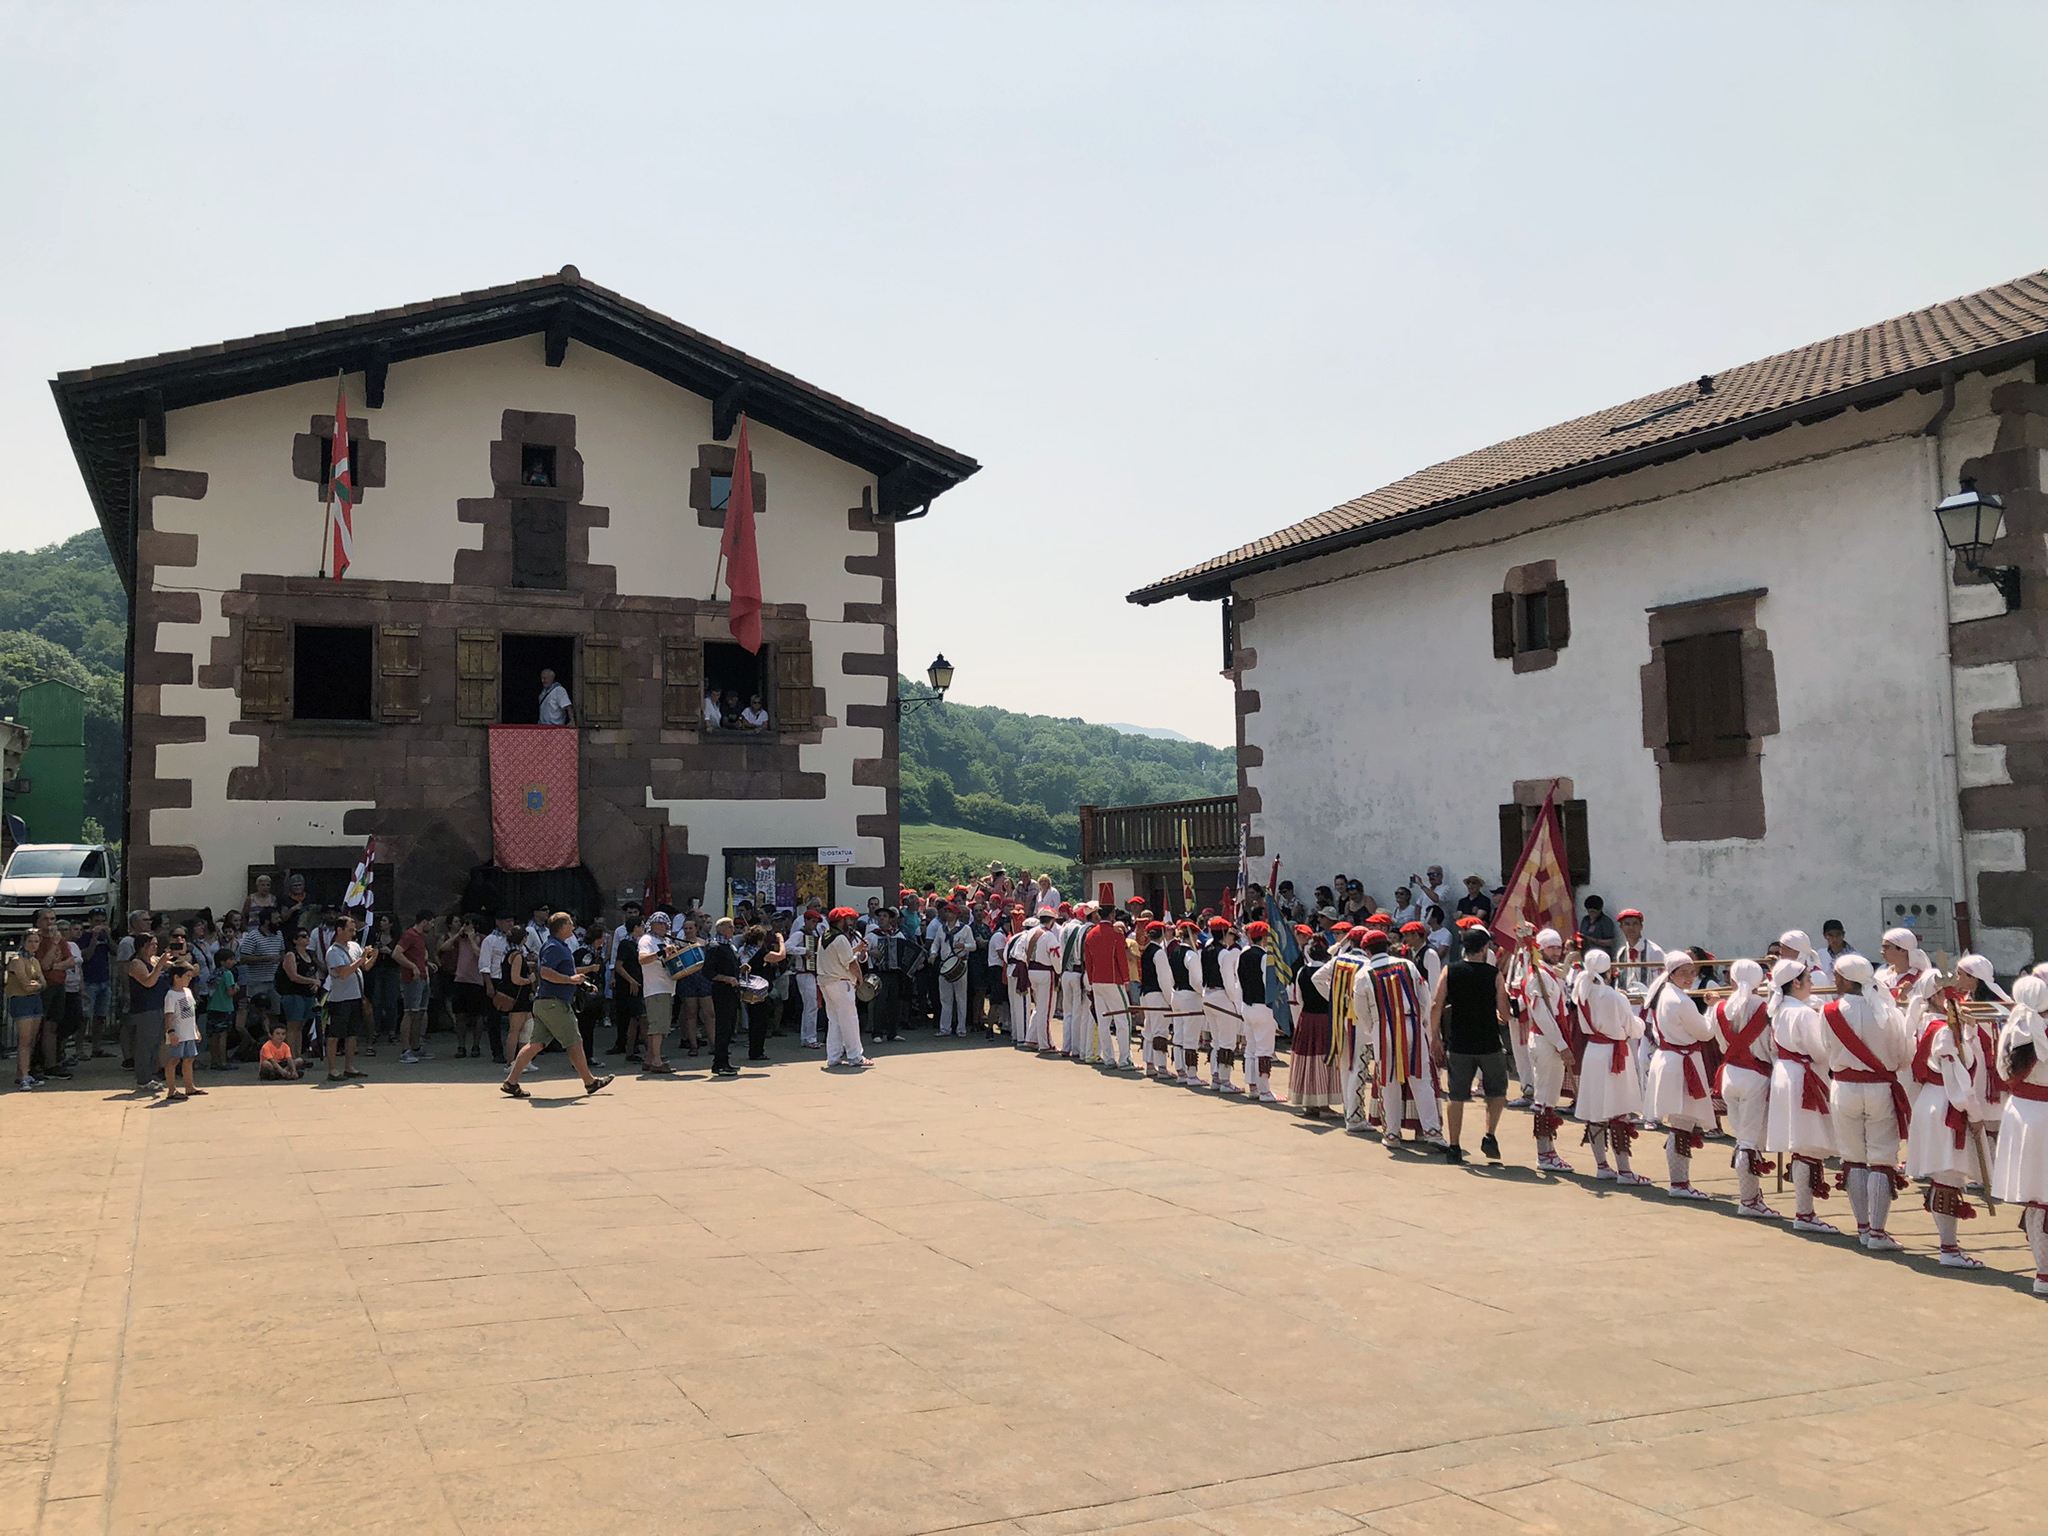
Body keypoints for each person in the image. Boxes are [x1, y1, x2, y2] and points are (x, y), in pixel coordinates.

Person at [1819, 953, 1914, 1251]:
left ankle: (1862, 1227)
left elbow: (1825, 1049)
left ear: (1848, 979)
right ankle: (1877, 1231)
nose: (1833, 980)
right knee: (1882, 1158)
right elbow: (1902, 1057)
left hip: (1844, 1087)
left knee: (1854, 1157)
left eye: (1837, 975)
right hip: (1879, 1087)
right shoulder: (1888, 1012)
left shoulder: (1829, 1011)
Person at [1907, 970, 1995, 1270]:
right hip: (1946, 1104)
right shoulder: (1944, 1031)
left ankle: (1950, 1246)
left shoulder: (1936, 1026)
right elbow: (1957, 1080)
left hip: (1936, 1100)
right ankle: (1949, 1248)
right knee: (1947, 1175)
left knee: (1946, 1176)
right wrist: (1974, 1113)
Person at [501, 913, 613, 1099]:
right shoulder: (554, 946)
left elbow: (562, 971)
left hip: (546, 1003)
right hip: (555, 1004)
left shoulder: (558, 945)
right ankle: (590, 1082)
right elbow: (545, 972)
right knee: (574, 1042)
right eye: (570, 923)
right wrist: (570, 980)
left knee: (535, 1044)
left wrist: (580, 982)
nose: (573, 926)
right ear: (562, 927)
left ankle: (511, 1082)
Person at [1764, 958, 1839, 1235]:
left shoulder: (1781, 1008)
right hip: (1802, 1074)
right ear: (1795, 982)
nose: (1811, 984)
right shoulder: (1803, 1012)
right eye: (1807, 979)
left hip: (1786, 1072)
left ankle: (1804, 1210)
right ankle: (1804, 1213)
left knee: (1801, 1142)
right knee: (1807, 1141)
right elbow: (1820, 1051)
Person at [1431, 927, 1510, 1164]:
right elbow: (1504, 1011)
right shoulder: (1493, 974)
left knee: (1456, 1096)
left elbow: (1436, 1003)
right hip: (1488, 1041)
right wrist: (1501, 1017)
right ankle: (1490, 1135)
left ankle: (1454, 1146)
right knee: (1496, 1092)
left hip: (1459, 1041)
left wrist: (1434, 1036)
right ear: (1485, 949)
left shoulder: (1450, 970)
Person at [1990, 976, 2048, 1296]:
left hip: (2021, 1113)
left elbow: (2003, 1074)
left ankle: (2043, 1273)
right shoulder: (2035, 1031)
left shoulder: (2011, 1028)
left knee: (2037, 1198)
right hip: (2044, 1113)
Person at [1642, 950, 1715, 1199]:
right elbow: (1705, 1033)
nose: (1689, 977)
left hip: (1669, 1059)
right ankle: (1679, 1183)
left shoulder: (1664, 993)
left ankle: (1679, 1182)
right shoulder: (1681, 1000)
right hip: (1680, 1062)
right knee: (1682, 1124)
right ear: (1671, 974)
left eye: (1692, 973)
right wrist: (1714, 1008)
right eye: (1683, 973)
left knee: (1679, 1123)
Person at [1573, 951, 1649, 1183]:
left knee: (1596, 1110)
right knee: (1619, 1110)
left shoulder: (1582, 993)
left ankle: (1602, 1165)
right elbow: (1632, 1029)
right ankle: (1625, 1170)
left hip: (1594, 1051)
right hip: (1613, 1053)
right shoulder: (1615, 997)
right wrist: (1638, 1019)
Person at [1711, 959, 1779, 1219]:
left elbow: (1714, 1038)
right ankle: (1749, 1199)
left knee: (1742, 1136)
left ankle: (1751, 1196)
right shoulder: (1764, 1007)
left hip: (1729, 1074)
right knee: (1748, 1142)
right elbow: (1772, 1047)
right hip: (1755, 1075)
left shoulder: (1719, 1007)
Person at [1516, 927, 1575, 1172]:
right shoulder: (1535, 976)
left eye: (1558, 947)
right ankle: (1544, 1155)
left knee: (1550, 1099)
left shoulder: (1550, 973)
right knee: (1543, 1099)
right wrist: (1562, 1046)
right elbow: (1542, 1015)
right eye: (1550, 947)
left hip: (1554, 1040)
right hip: (1545, 1040)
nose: (1556, 951)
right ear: (1540, 949)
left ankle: (1549, 1152)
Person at [322, 913, 374, 1082]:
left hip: (356, 997)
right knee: (335, 1035)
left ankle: (349, 1067)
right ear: (339, 930)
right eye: (350, 930)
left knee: (353, 1034)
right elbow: (343, 973)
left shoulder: (354, 946)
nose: (353, 933)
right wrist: (361, 959)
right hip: (339, 999)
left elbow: (364, 967)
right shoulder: (333, 952)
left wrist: (372, 956)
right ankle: (332, 1069)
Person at [818, 906, 870, 1069]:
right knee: (850, 1020)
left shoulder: (824, 937)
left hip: (826, 982)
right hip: (841, 982)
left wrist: (856, 949)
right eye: (849, 920)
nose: (851, 923)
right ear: (841, 921)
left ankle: (833, 1056)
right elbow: (851, 963)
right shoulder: (840, 938)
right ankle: (855, 1056)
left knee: (834, 1020)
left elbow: (840, 955)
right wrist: (860, 979)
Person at [1084, 904, 1134, 1071]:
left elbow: (1088, 962)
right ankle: (1125, 1059)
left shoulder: (1091, 934)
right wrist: (1126, 980)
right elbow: (1121, 959)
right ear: (1112, 914)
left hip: (1097, 981)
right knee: (1123, 1020)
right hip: (1114, 981)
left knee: (1103, 1021)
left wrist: (1091, 981)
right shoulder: (1116, 934)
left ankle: (1109, 1058)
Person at [125, 935, 173, 1092]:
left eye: (156, 944)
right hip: (145, 1009)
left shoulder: (155, 959)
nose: (155, 947)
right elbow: (148, 982)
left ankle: (151, 1075)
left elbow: (174, 967)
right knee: (145, 1045)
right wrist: (159, 966)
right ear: (142, 946)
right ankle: (143, 1079)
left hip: (159, 1005)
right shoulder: (136, 963)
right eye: (151, 944)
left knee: (156, 1044)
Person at [636, 911, 680, 1074]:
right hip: (655, 988)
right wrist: (661, 953)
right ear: (651, 925)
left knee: (663, 1025)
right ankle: (656, 1060)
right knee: (658, 1026)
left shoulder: (666, 940)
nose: (663, 927)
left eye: (665, 924)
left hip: (667, 987)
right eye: (659, 924)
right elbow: (642, 959)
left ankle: (649, 1060)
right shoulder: (647, 940)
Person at [703, 916, 746, 1077]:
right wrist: (726, 978)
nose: (732, 930)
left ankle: (724, 1061)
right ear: (721, 929)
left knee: (729, 1027)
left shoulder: (729, 946)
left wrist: (740, 969)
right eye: (730, 927)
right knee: (723, 1027)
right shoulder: (715, 946)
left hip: (732, 991)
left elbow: (730, 965)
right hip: (721, 991)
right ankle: (719, 1063)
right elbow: (708, 972)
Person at [930, 902, 976, 1039]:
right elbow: (935, 943)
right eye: (946, 912)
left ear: (956, 914)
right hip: (945, 966)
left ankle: (961, 1029)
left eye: (950, 912)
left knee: (961, 998)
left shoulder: (965, 929)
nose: (947, 914)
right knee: (945, 999)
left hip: (960, 965)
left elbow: (973, 946)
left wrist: (964, 945)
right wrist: (933, 953)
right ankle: (945, 1028)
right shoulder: (941, 929)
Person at [6, 944, 46, 1090]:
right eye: (31, 941)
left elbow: (43, 983)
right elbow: (25, 984)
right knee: (25, 1040)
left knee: (32, 1040)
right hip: (21, 1000)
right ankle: (23, 1077)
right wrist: (36, 985)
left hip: (35, 1000)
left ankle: (23, 1073)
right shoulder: (17, 960)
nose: (34, 944)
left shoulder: (34, 961)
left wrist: (36, 985)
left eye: (37, 941)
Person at [161, 961, 202, 1102]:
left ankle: (189, 1086)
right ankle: (171, 1089)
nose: (189, 978)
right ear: (176, 977)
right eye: (187, 975)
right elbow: (169, 1015)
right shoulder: (171, 995)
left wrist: (195, 1029)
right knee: (174, 1060)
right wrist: (171, 1032)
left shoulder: (188, 992)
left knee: (189, 1058)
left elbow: (191, 1012)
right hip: (177, 1033)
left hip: (189, 1031)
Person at [396, 910, 434, 1062]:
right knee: (410, 1012)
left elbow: (416, 955)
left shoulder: (419, 937)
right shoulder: (409, 935)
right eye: (431, 923)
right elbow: (397, 953)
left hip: (423, 977)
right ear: (424, 922)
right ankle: (405, 1050)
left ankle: (416, 1047)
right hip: (412, 979)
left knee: (419, 1013)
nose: (432, 926)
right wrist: (412, 967)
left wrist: (425, 964)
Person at [79, 910, 113, 1058]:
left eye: (102, 921)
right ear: (90, 921)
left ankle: (97, 1047)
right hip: (89, 981)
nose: (100, 924)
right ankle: (79, 1049)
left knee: (100, 1016)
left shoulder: (105, 936)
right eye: (97, 921)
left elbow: (115, 951)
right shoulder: (84, 936)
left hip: (103, 980)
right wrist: (94, 937)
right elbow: (86, 956)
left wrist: (109, 936)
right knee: (85, 1016)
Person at [204, 946, 238, 1071]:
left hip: (212, 1006)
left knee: (213, 1035)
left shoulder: (214, 973)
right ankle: (223, 1062)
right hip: (224, 1007)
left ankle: (214, 1061)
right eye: (230, 959)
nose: (233, 962)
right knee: (222, 1035)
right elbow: (229, 992)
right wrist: (236, 989)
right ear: (223, 961)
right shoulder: (228, 974)